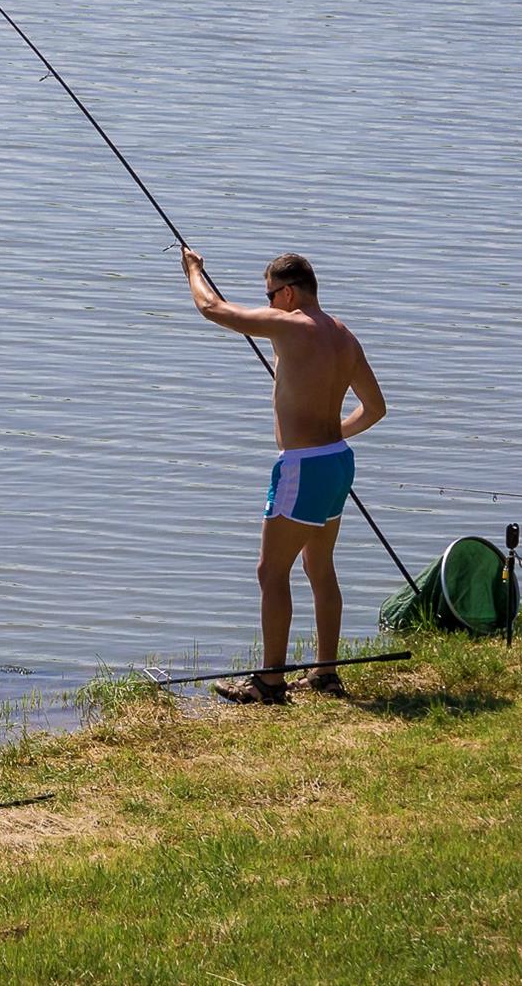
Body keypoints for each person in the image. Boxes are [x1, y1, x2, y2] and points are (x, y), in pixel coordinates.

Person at [181, 248, 386, 704]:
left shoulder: (293, 326)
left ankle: (269, 683)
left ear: (289, 292)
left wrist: (193, 271)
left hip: (304, 468)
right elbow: (376, 409)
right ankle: (325, 673)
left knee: (271, 572)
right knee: (319, 566)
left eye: (270, 294)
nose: (269, 303)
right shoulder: (344, 335)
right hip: (337, 461)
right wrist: (330, 434)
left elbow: (213, 308)